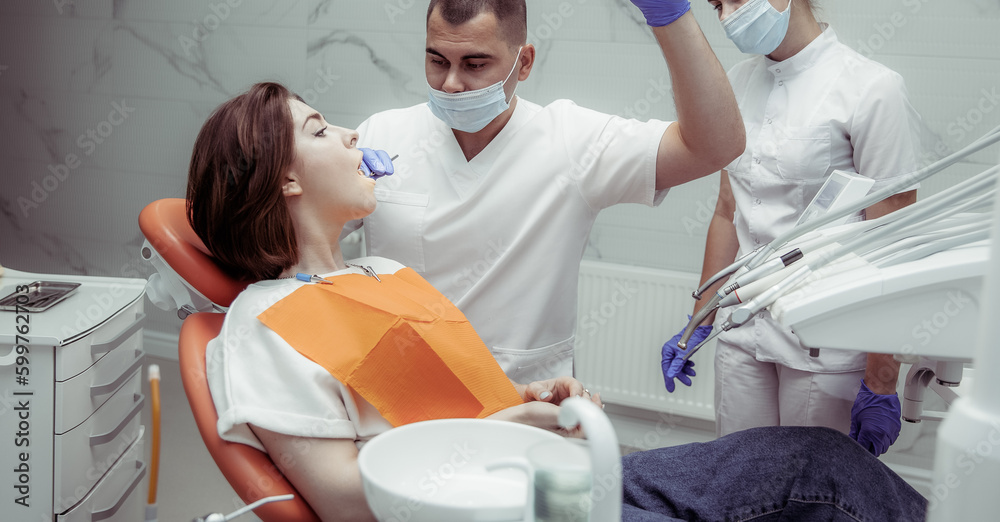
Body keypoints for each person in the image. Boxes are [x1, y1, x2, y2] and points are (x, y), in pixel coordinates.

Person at [190, 82, 927, 522]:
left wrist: (529, 398)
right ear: (285, 179)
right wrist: (516, 424)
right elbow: (348, 503)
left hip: (546, 481)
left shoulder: (380, 271)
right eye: (320, 129)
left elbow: (443, 404)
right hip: (495, 509)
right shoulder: (262, 323)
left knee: (817, 457)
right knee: (820, 491)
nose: (352, 134)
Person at [346, 0, 746, 383]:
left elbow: (716, 146)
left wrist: (670, 18)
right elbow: (297, 247)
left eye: (475, 65)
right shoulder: (381, 136)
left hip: (526, 398)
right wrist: (326, 184)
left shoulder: (571, 142)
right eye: (437, 61)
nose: (452, 84)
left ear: (524, 62)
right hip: (399, 390)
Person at [659, 0, 923, 454]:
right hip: (742, 332)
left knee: (808, 493)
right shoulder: (736, 85)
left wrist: (881, 379)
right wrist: (699, 318)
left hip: (825, 343)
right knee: (738, 485)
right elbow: (727, 210)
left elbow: (892, 244)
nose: (727, 16)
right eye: (716, 4)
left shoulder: (871, 90)